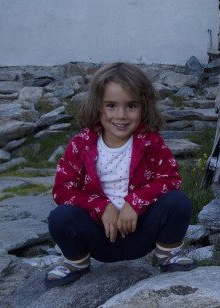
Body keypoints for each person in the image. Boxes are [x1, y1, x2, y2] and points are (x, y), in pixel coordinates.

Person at [45, 62, 197, 287]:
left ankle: (168, 254)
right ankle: (75, 261)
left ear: (144, 106)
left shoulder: (151, 141)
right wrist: (102, 206)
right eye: (111, 105)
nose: (121, 115)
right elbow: (62, 190)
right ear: (97, 106)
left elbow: (170, 178)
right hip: (99, 237)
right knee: (60, 217)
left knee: (178, 202)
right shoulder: (81, 144)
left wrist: (134, 203)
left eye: (131, 106)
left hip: (141, 232)